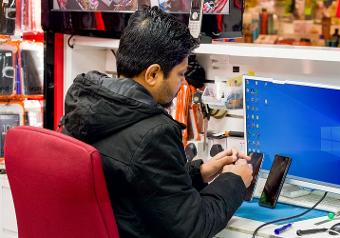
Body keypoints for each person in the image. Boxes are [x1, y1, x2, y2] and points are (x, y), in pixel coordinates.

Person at [61, 6, 253, 238]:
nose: (183, 83)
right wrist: (235, 181)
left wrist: (201, 172)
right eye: (180, 74)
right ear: (152, 74)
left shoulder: (88, 104)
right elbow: (193, 228)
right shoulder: (154, 133)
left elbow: (144, 183)